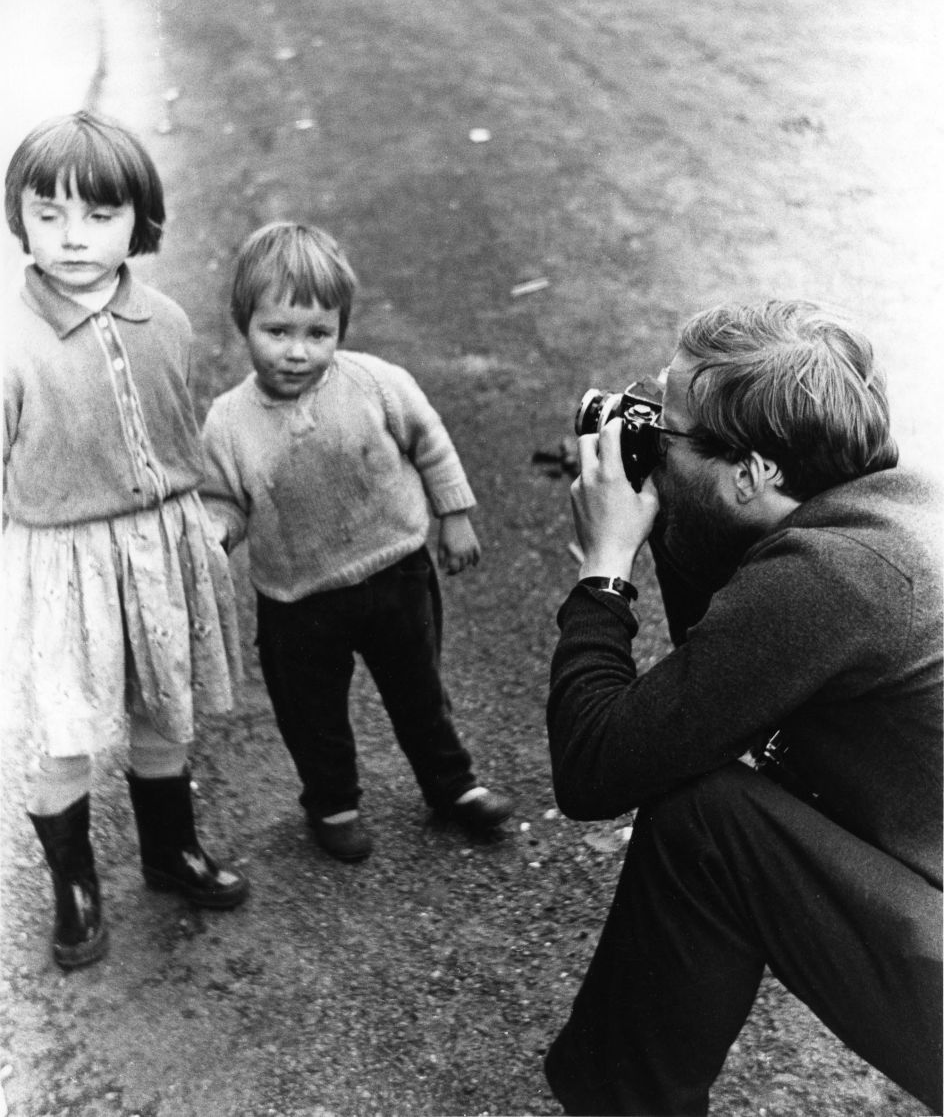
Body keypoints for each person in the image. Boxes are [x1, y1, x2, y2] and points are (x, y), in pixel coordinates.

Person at [544, 299, 942, 1115]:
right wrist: (678, 498)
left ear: (753, 472)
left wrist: (605, 567)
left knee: (703, 820)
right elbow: (721, 686)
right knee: (708, 783)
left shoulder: (833, 580)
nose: (648, 428)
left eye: (670, 425)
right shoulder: (882, 506)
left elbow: (595, 767)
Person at [2, 111, 249, 971]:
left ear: (138, 220)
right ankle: (74, 889)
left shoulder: (168, 321)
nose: (72, 237)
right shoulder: (9, 343)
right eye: (48, 213)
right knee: (62, 728)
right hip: (60, 562)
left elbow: (188, 434)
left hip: (159, 551)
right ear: (19, 217)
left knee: (163, 704)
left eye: (99, 215)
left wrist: (212, 516)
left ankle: (169, 851)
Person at [200, 222, 512, 863]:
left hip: (395, 572)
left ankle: (453, 786)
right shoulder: (229, 422)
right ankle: (332, 802)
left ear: (341, 328)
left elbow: (429, 441)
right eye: (277, 331)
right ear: (244, 324)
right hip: (297, 598)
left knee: (419, 690)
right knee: (311, 713)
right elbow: (223, 497)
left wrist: (455, 515)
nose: (297, 352)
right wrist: (216, 534)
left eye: (319, 333)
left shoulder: (374, 382)